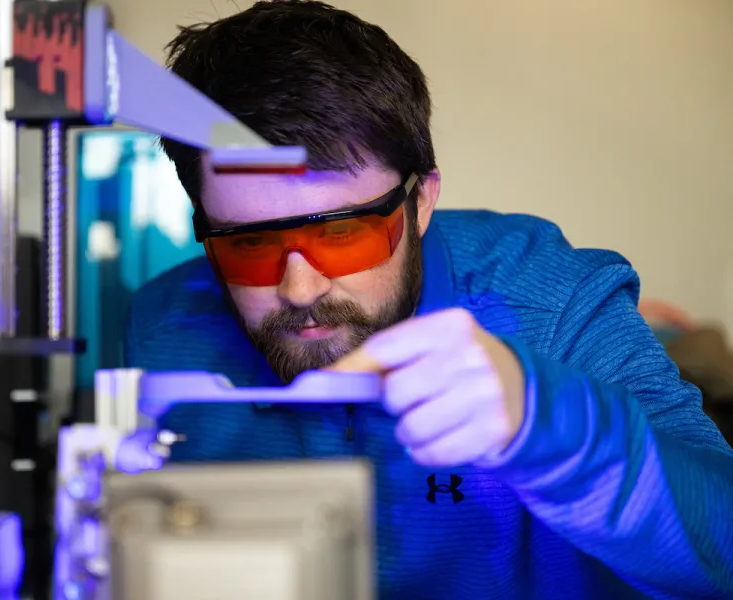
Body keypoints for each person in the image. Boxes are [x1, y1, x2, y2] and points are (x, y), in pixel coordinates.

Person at [124, 1, 733, 598]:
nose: (300, 289)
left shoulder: (556, 303)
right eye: (250, 244)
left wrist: (549, 422)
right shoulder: (157, 332)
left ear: (420, 203)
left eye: (342, 233)